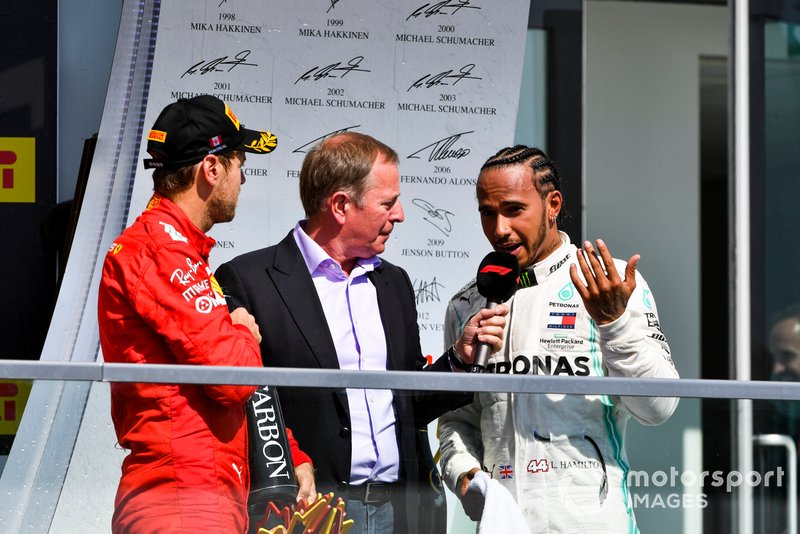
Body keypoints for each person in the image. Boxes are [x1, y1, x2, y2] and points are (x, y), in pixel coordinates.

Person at [214, 131, 508, 534]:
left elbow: (408, 405)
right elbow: (244, 408)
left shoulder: (394, 283)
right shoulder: (249, 280)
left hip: (397, 513)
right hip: (308, 513)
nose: (401, 214)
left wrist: (458, 359)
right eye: (387, 203)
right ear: (340, 205)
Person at [97, 95, 314, 534]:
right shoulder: (160, 250)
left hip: (205, 493)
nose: (243, 178)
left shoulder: (178, 251)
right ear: (211, 170)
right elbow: (233, 376)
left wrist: (291, 455)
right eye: (239, 163)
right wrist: (243, 332)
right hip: (183, 498)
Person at [437, 145, 680, 533]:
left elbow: (659, 407)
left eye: (514, 209)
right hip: (505, 522)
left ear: (553, 204)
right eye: (487, 212)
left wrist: (613, 322)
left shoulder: (609, 284)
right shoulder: (465, 303)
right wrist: (463, 475)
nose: (499, 229)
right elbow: (457, 420)